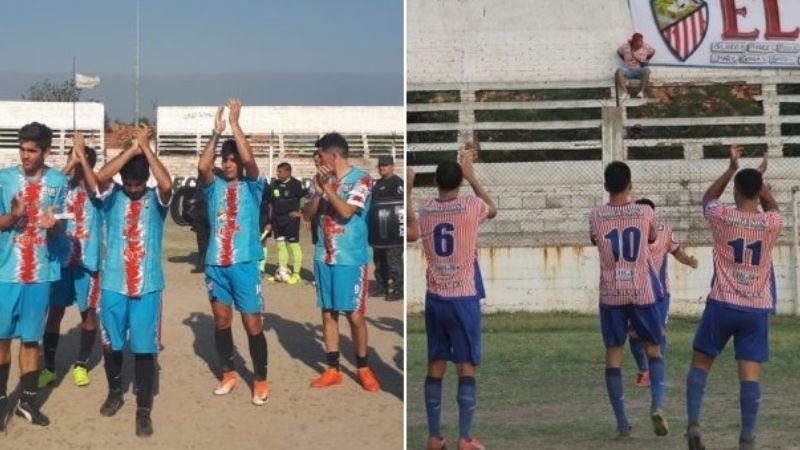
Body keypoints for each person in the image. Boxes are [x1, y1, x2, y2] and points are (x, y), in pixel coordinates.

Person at [685, 147, 779, 450]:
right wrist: (759, 180)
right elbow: (772, 207)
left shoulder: (723, 216)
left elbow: (708, 199)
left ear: (736, 190)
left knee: (701, 363)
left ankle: (694, 424)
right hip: (755, 308)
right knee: (750, 373)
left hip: (722, 303)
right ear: (759, 191)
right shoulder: (771, 224)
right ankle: (747, 436)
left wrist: (730, 169)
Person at [409, 145, 496, 450]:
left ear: (435, 182)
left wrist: (408, 192)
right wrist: (472, 176)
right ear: (459, 182)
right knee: (466, 366)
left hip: (435, 297)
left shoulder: (426, 208)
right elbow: (493, 208)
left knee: (435, 364)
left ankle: (434, 436)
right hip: (463, 297)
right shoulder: (471, 206)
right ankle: (465, 438)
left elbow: (411, 233)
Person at [94, 124, 172, 437]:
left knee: (143, 349)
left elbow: (165, 182)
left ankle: (143, 410)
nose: (134, 188)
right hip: (113, 283)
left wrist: (146, 148)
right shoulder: (111, 197)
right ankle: (115, 392)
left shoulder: (156, 199)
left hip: (147, 286)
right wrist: (130, 150)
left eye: (139, 183)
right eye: (129, 182)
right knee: (111, 345)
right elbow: (100, 178)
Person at [197, 99, 270, 406]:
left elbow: (251, 161)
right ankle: (228, 373)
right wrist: (216, 133)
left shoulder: (253, 186)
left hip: (244, 264)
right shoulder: (212, 187)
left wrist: (236, 124)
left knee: (252, 323)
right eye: (224, 159)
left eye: (232, 159)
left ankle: (260, 379)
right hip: (216, 264)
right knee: (221, 320)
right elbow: (202, 166)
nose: (227, 163)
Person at [589, 161, 668, 439]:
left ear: (605, 186)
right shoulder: (645, 211)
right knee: (654, 348)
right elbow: (651, 238)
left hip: (611, 293)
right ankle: (657, 404)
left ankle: (622, 423)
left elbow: (594, 241)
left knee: (613, 356)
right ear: (631, 185)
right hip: (641, 291)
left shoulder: (596, 215)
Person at [0, 122, 68, 428]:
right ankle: (1, 401)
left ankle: (26, 402)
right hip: (5, 273)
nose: (25, 156)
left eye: (32, 150)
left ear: (46, 151)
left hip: (40, 274)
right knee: (1, 339)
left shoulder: (59, 181)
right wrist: (14, 216)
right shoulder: (4, 180)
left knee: (30, 341)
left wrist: (53, 226)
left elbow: (61, 230)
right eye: (22, 149)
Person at [302, 132, 381, 392]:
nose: (317, 158)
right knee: (328, 312)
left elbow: (347, 212)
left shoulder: (362, 179)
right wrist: (316, 192)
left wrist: (327, 189)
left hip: (350, 258)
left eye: (320, 154)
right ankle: (333, 368)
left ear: (333, 156)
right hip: (323, 255)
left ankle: (363, 367)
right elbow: (307, 215)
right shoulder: (320, 181)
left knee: (355, 315)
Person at [39, 133, 103, 390]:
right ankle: (49, 368)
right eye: (71, 157)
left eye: (81, 159)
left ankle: (80, 364)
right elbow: (45, 188)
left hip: (87, 262)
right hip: (60, 262)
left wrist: (82, 158)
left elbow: (97, 187)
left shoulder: (96, 189)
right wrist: (72, 159)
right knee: (54, 314)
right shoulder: (58, 187)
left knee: (88, 314)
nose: (75, 162)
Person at [628, 198, 698, 388]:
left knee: (658, 332)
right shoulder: (630, 234)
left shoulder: (664, 232)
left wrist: (689, 260)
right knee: (634, 334)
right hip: (635, 292)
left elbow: (676, 251)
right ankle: (643, 370)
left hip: (660, 293)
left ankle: (655, 371)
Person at [370, 155, 404, 300]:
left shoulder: (397, 183)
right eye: (380, 165)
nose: (382, 168)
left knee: (394, 260)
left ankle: (398, 288)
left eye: (385, 165)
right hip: (379, 230)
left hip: (393, 231)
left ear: (392, 166)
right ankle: (381, 285)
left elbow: (400, 208)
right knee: (379, 259)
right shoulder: (377, 184)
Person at [268, 162, 307, 284]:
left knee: (293, 245)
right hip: (277, 220)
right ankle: (282, 271)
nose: (277, 174)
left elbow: (307, 199)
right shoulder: (275, 183)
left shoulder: (296, 184)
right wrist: (270, 220)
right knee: (280, 246)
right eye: (277, 171)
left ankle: (296, 274)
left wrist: (302, 213)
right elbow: (271, 203)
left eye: (280, 172)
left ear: (288, 172)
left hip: (291, 220)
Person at [616, 32, 655, 100]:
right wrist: (624, 59)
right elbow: (619, 52)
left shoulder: (646, 46)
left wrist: (646, 60)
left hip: (639, 70)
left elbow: (653, 51)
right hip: (628, 69)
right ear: (634, 42)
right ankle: (625, 93)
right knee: (619, 71)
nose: (639, 44)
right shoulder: (625, 46)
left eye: (640, 41)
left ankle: (641, 92)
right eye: (637, 42)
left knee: (647, 70)